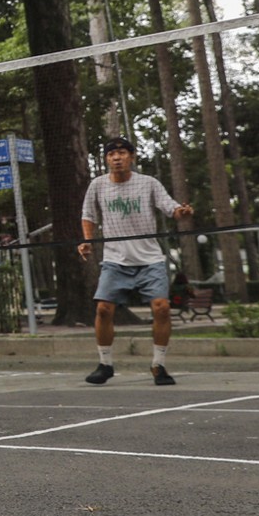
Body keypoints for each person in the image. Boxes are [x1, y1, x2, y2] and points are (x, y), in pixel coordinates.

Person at [80, 136, 192, 386]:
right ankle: (105, 363)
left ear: (132, 157)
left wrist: (180, 212)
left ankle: (158, 365)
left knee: (162, 307)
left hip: (149, 259)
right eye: (111, 154)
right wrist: (88, 241)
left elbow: (170, 207)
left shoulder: (148, 183)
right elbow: (88, 216)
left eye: (121, 153)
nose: (116, 158)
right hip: (115, 259)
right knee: (103, 309)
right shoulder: (97, 185)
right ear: (106, 159)